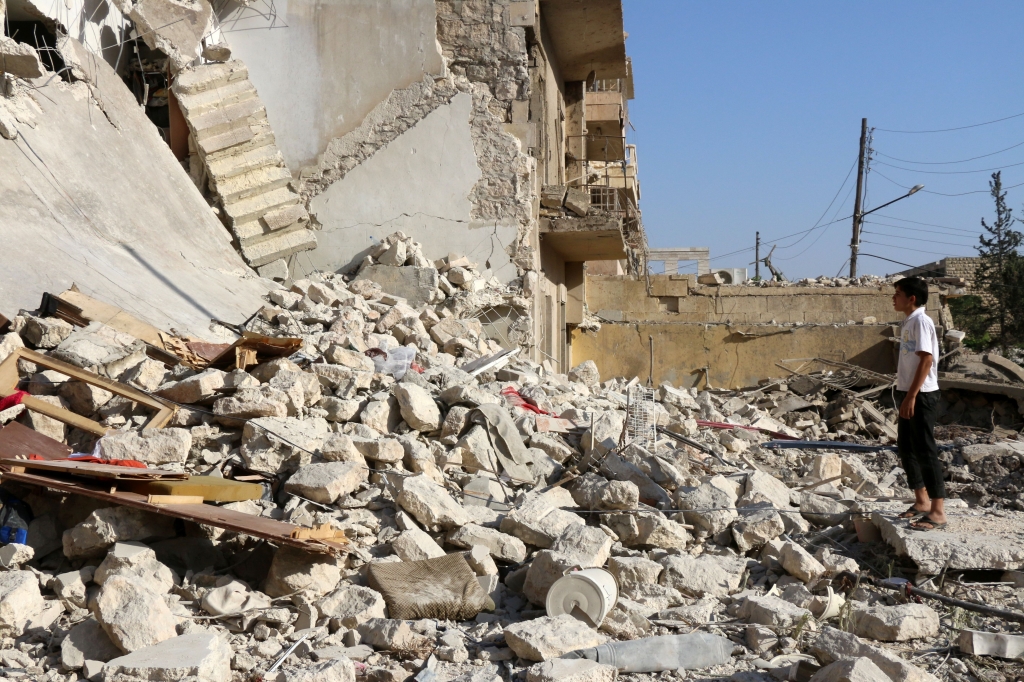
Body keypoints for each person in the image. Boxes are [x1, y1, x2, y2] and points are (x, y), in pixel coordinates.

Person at [891, 277, 945, 530]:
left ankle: (938, 511)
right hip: (908, 392)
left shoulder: (921, 321)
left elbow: (926, 360)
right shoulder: (909, 321)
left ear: (912, 298)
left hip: (921, 395)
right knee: (906, 446)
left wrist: (912, 396)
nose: (894, 298)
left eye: (898, 293)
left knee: (925, 449)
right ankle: (921, 501)